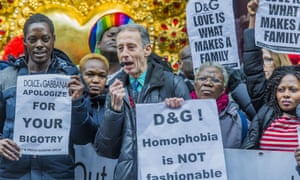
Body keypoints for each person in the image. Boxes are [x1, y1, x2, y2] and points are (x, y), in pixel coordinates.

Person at [93, 23, 190, 180]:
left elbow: (192, 140)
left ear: (147, 50)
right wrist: (114, 112)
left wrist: (176, 115)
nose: (124, 54)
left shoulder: (173, 84)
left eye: (131, 47)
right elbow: (106, 150)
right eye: (120, 48)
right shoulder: (115, 88)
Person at [0, 13, 91, 179]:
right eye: (33, 39)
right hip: (13, 174)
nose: (39, 44)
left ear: (53, 39)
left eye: (45, 39)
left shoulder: (70, 78)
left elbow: (84, 137)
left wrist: (77, 102)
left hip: (57, 174)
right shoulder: (6, 78)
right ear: (25, 42)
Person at [240, 65, 300, 172]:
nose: (286, 95)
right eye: (281, 90)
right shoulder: (265, 114)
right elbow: (254, 75)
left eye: (293, 90)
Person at [243, 0, 293, 111]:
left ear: (280, 62)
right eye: (261, 61)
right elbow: (252, 60)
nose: (263, 66)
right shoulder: (264, 97)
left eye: (269, 60)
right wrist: (253, 17)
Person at [194, 62, 249, 148]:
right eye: (202, 79)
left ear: (223, 89)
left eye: (215, 80)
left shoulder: (239, 122)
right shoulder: (180, 114)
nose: (208, 83)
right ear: (195, 84)